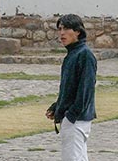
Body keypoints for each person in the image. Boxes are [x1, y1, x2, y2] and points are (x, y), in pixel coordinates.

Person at [46, 14, 97, 161]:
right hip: (72, 118)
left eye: (66, 28)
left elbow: (86, 90)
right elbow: (69, 89)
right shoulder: (72, 55)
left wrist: (71, 115)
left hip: (76, 120)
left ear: (77, 32)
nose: (62, 33)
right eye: (60, 29)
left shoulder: (84, 55)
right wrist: (57, 107)